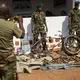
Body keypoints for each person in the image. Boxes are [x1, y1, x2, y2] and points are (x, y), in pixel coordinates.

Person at [0, 3, 25, 80]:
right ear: (6, 14)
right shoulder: (11, 25)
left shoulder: (10, 24)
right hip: (8, 59)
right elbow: (22, 35)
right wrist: (20, 22)